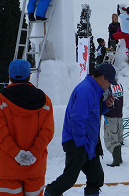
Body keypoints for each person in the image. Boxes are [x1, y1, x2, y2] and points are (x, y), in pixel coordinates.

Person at [44, 64, 117, 196]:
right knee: (69, 179)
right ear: (101, 77)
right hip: (78, 142)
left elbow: (92, 113)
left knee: (96, 177)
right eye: (109, 82)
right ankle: (50, 192)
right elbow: (77, 119)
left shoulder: (94, 90)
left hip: (88, 142)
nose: (109, 86)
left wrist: (105, 106)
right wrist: (81, 144)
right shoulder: (86, 90)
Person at [0, 59, 54, 196]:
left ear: (9, 76)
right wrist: (33, 153)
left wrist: (17, 154)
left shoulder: (0, 100)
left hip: (8, 167)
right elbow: (47, 132)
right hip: (35, 167)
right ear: (29, 76)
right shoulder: (45, 101)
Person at [103, 83, 124, 167]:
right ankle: (119, 158)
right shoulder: (119, 85)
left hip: (110, 116)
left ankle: (116, 161)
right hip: (119, 116)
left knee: (111, 139)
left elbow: (104, 99)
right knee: (118, 138)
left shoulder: (107, 87)